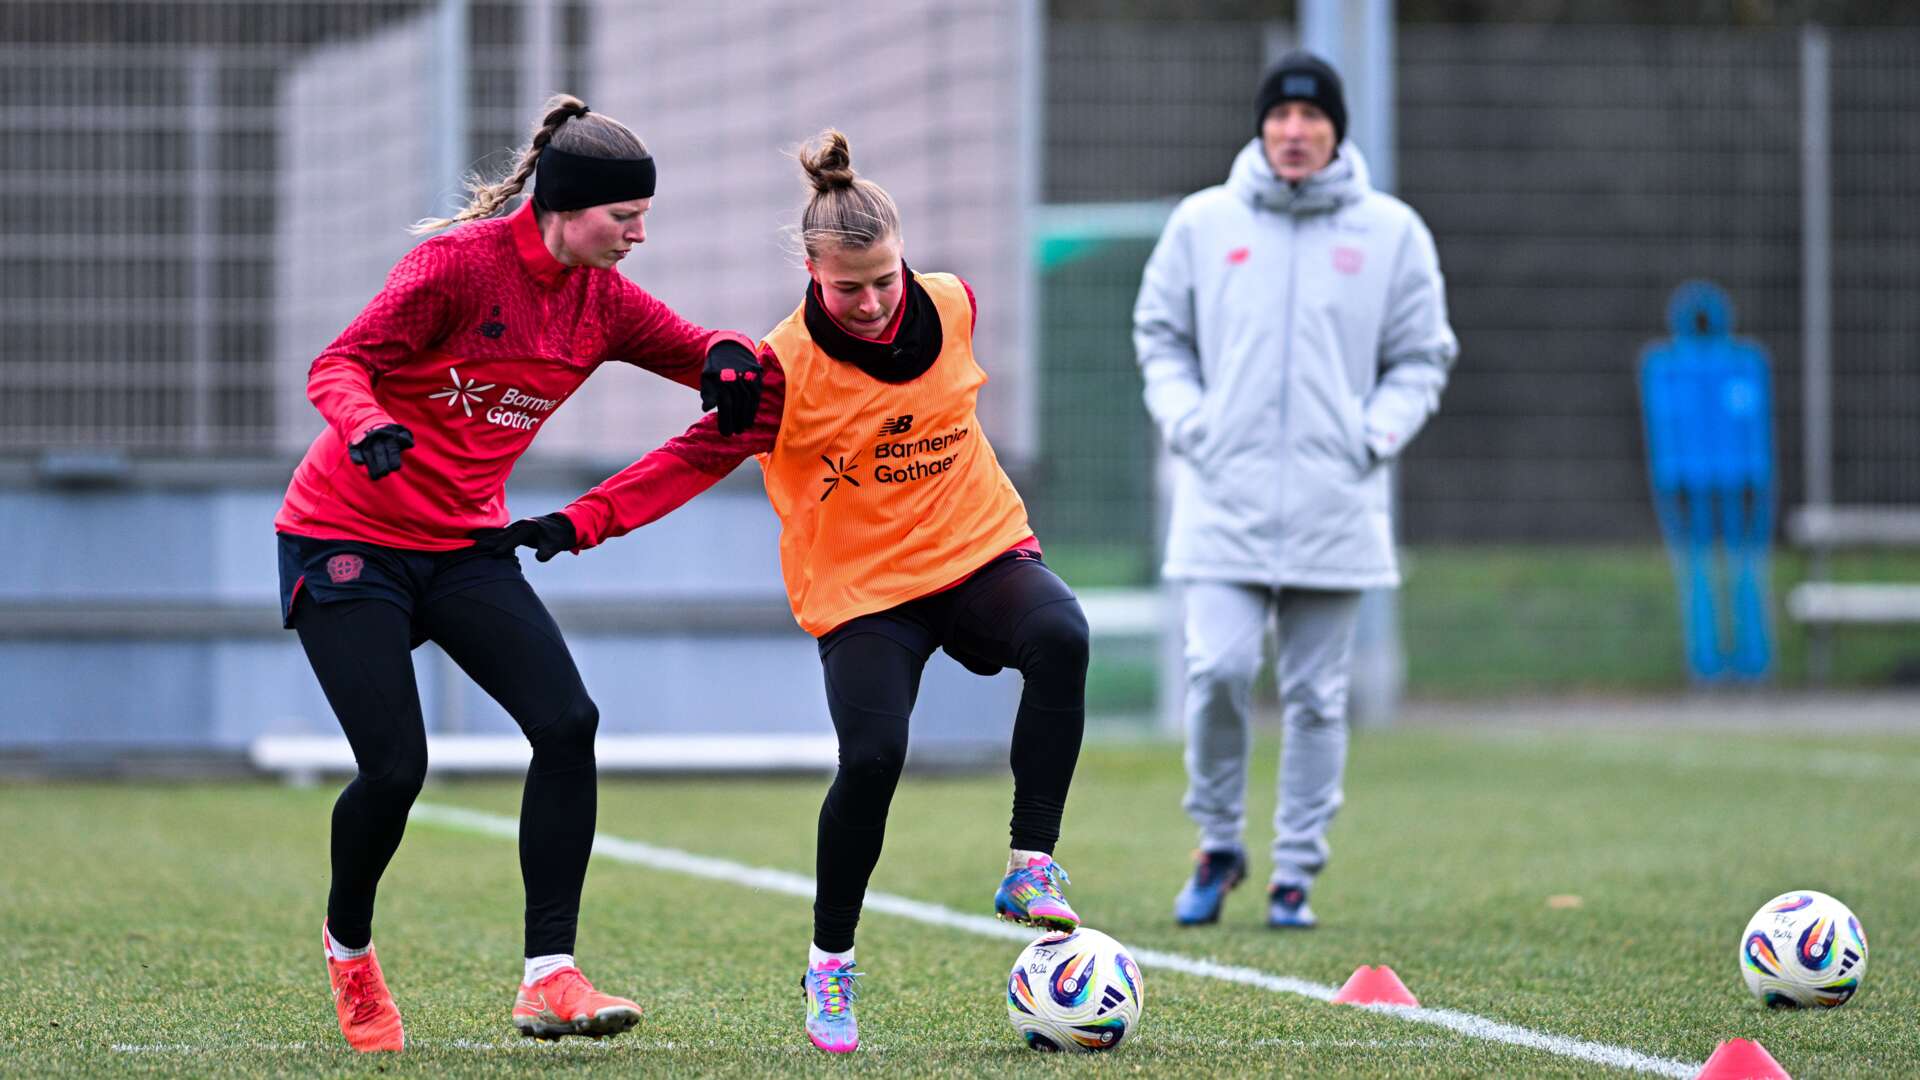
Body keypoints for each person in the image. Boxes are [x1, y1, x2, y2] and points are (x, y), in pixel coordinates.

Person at [475, 129, 1091, 1055]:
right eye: (850, 288)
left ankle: (1031, 863)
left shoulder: (955, 302)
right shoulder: (780, 369)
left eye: (886, 278)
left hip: (977, 550)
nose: (876, 301)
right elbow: (687, 461)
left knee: (1064, 635)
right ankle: (831, 964)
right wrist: (578, 523)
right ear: (811, 272)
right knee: (874, 756)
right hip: (862, 591)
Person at [275, 94, 765, 1052]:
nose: (639, 233)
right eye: (625, 217)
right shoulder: (457, 266)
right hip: (347, 532)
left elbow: (693, 347)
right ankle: (350, 952)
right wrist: (369, 424)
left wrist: (732, 357)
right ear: (566, 206)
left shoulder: (603, 301)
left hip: (463, 544)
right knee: (394, 768)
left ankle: (550, 978)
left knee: (568, 722)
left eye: (644, 215)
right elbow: (339, 364)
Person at [1133, 52, 1457, 930]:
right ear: (1262, 125)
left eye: (1312, 119)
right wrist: (1189, 423)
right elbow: (1159, 333)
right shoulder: (1204, 222)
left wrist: (1372, 436)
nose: (1294, 132)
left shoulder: (1391, 233)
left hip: (1333, 504)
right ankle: (1218, 845)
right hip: (1222, 497)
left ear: (1335, 130)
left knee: (1318, 698)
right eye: (1280, 116)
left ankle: (1296, 874)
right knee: (1219, 669)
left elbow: (1424, 355)